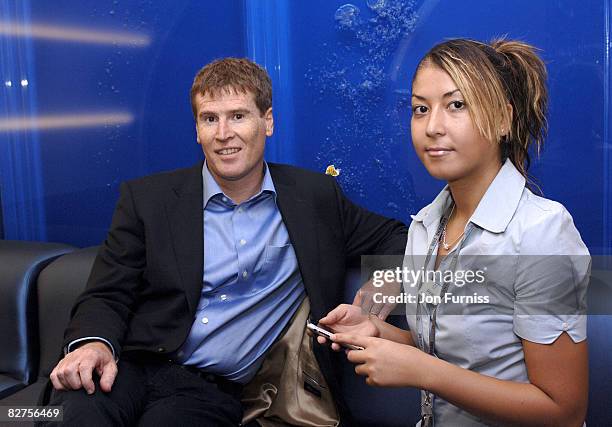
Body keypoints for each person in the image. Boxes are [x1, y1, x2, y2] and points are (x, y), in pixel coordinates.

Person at [44, 57, 408, 426]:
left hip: (207, 391)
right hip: (129, 364)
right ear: (197, 130)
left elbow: (398, 237)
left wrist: (384, 282)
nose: (223, 134)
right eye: (209, 118)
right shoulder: (147, 200)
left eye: (238, 116)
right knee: (72, 416)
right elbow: (108, 292)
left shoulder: (313, 198)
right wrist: (93, 344)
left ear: (267, 122)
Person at [318, 38, 590, 426]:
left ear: (503, 120)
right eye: (420, 109)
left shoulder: (542, 232)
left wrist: (421, 371)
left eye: (456, 105)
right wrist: (375, 331)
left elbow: (563, 410)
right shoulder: (425, 226)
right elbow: (453, 350)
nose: (432, 126)